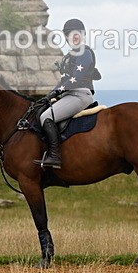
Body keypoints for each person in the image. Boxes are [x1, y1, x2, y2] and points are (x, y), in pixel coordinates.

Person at [35, 18, 101, 169]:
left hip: (79, 94)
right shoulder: (68, 57)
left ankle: (55, 156)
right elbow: (64, 80)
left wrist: (57, 92)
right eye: (70, 34)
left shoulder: (85, 53)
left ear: (82, 35)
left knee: (46, 117)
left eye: (77, 33)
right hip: (69, 94)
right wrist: (50, 95)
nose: (74, 36)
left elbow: (75, 79)